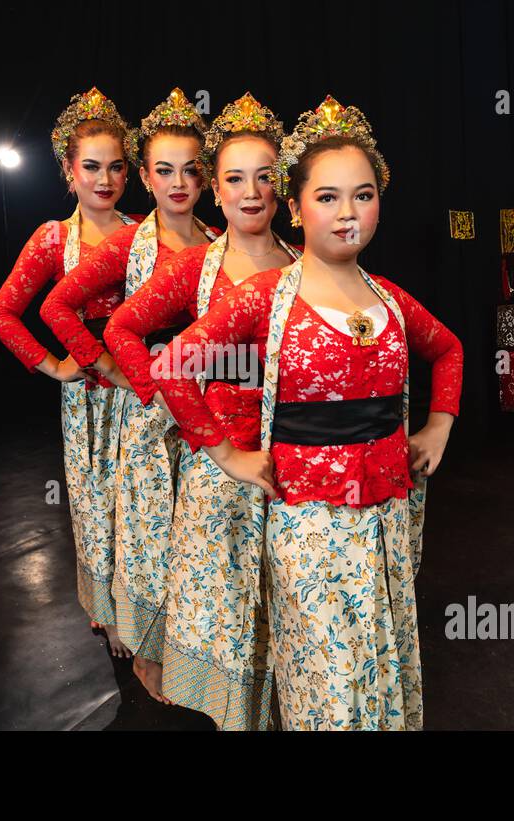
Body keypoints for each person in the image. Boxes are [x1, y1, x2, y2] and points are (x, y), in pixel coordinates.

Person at [152, 97, 463, 730]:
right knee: (324, 676)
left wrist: (439, 425)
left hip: (389, 517)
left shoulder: (390, 296)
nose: (348, 212)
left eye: (364, 194)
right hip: (309, 523)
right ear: (295, 207)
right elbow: (172, 368)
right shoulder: (267, 295)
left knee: (379, 655)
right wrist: (228, 455)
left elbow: (449, 349)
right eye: (327, 197)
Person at [104, 92, 297, 727]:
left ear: (284, 186)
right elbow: (124, 331)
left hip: (292, 467)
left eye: (265, 178)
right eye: (235, 179)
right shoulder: (196, 265)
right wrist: (179, 411)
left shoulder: (308, 264)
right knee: (225, 602)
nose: (251, 193)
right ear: (216, 189)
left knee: (284, 603)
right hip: (221, 467)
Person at [40, 89, 218, 691]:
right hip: (144, 410)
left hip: (209, 405)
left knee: (199, 534)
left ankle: (205, 653)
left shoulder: (221, 242)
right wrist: (103, 369)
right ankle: (144, 642)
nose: (178, 182)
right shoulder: (128, 243)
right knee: (145, 528)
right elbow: (58, 307)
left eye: (192, 170)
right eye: (163, 171)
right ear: (148, 176)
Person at [0, 88, 139, 655]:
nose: (105, 179)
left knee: (144, 499)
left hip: (143, 388)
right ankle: (111, 616)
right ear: (68, 172)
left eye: (117, 166)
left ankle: (148, 604)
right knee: (96, 498)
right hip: (91, 396)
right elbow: (1, 315)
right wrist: (53, 367)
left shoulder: (147, 230)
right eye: (91, 167)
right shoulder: (53, 238)